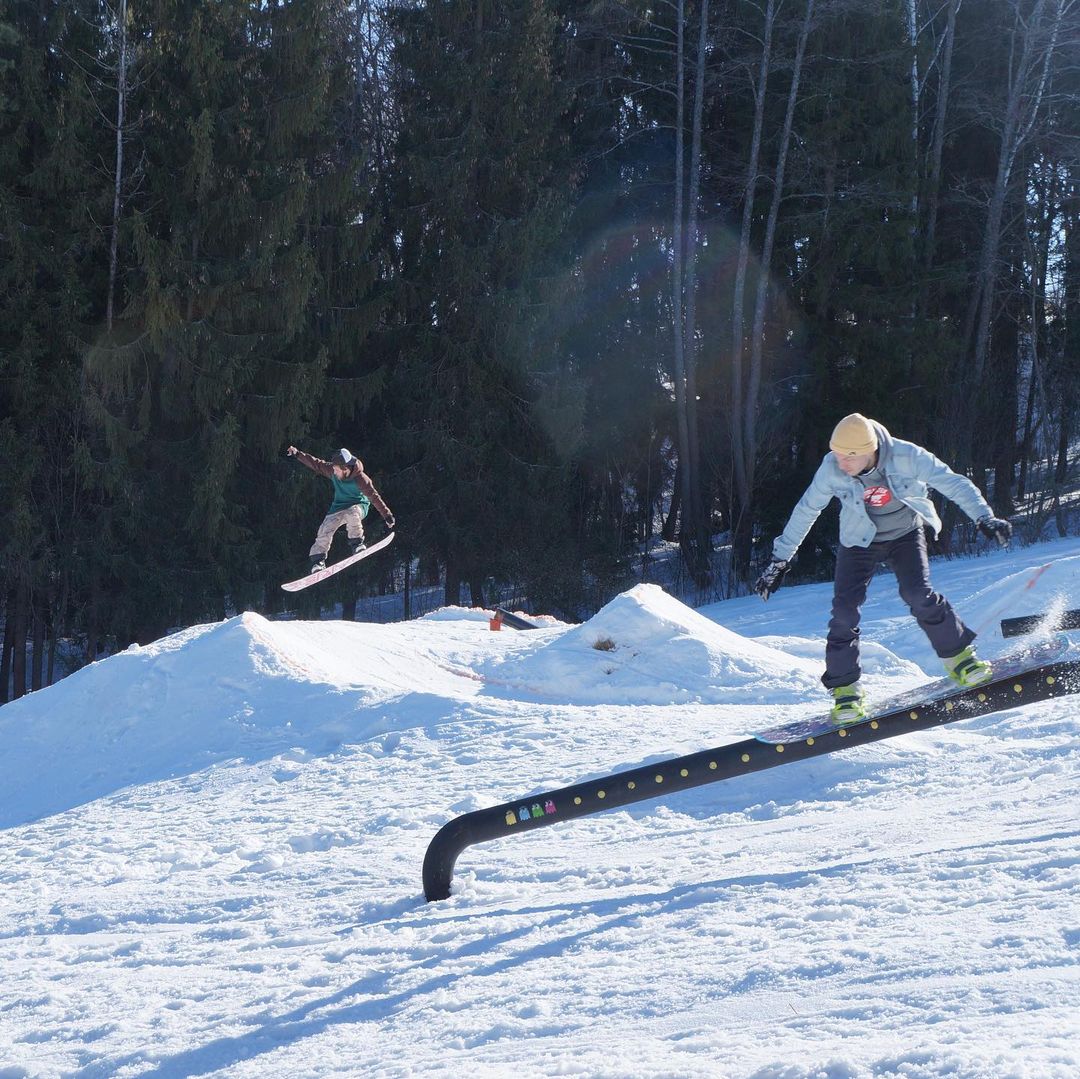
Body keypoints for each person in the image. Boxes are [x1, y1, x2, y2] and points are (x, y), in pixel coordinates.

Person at [753, 414, 1012, 724]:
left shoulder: (906, 455)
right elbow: (807, 509)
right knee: (845, 611)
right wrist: (780, 559)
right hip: (858, 541)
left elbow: (952, 482)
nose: (841, 463)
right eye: (836, 453)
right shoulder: (831, 468)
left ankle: (959, 658)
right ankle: (845, 690)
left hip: (904, 534)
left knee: (917, 593)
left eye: (848, 456)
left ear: (869, 449)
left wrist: (983, 517)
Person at [286, 446, 395, 573]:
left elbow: (374, 497)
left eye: (337, 470)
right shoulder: (332, 470)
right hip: (338, 507)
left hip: (359, 506)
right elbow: (316, 463)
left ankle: (357, 544)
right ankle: (318, 561)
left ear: (346, 469)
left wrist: (387, 515)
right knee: (325, 528)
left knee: (352, 513)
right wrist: (297, 454)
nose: (334, 472)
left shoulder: (361, 480)